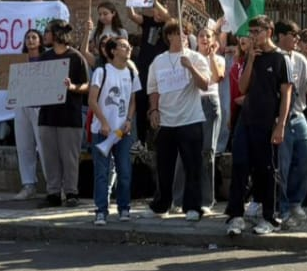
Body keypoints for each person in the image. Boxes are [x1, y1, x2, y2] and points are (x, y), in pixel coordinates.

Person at [225, 16, 291, 237]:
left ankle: (269, 217)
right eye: (250, 32)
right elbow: (242, 88)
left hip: (267, 121)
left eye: (257, 31)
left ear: (269, 31)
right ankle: (235, 215)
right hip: (247, 119)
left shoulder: (281, 59)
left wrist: (280, 125)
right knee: (240, 165)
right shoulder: (251, 57)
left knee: (267, 170)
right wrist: (250, 61)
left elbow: (286, 95)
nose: (253, 36)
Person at [146, 23, 211, 220]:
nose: (183, 36)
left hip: (190, 119)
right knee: (164, 167)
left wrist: (190, 67)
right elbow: (153, 88)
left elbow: (205, 84)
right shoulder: (158, 61)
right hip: (167, 121)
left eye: (185, 33)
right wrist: (154, 110)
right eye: (178, 33)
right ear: (169, 36)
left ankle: (193, 206)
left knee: (193, 165)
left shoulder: (196, 57)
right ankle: (162, 205)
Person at [170, 23, 224, 214]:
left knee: (207, 152)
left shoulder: (218, 59)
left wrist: (210, 57)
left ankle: (206, 200)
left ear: (214, 40)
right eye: (201, 35)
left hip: (209, 103)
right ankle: (177, 199)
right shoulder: (188, 57)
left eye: (209, 36)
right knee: (183, 152)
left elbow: (216, 78)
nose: (205, 39)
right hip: (191, 104)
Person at [36, 19, 88, 207]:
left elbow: (86, 85)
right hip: (47, 115)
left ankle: (72, 191)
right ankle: (53, 192)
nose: (45, 35)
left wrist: (72, 86)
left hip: (69, 115)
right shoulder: (44, 57)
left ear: (57, 34)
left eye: (48, 31)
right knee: (49, 156)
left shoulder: (76, 58)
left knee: (69, 156)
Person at [89, 36, 141, 225]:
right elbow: (92, 100)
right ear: (113, 51)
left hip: (122, 132)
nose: (128, 49)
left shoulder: (131, 73)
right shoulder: (101, 72)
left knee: (124, 171)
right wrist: (103, 122)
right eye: (123, 46)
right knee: (102, 172)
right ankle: (101, 211)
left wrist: (128, 119)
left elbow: (133, 100)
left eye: (129, 46)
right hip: (101, 131)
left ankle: (124, 208)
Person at [273, 21, 307, 223]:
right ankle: (282, 208)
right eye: (293, 34)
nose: (297, 38)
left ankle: (295, 201)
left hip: (298, 115)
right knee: (282, 163)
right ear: (280, 36)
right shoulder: (273, 57)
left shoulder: (299, 59)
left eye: (299, 34)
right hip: (278, 117)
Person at [12, 29, 46, 200]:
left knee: (45, 147)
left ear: (40, 41)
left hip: (41, 106)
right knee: (24, 147)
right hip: (22, 105)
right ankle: (28, 184)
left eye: (34, 37)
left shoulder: (47, 60)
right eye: (27, 37)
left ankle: (54, 186)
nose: (30, 40)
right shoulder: (19, 61)